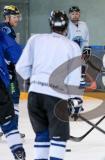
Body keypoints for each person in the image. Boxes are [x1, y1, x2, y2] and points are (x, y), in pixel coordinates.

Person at [16, 10, 84, 160]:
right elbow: (74, 78)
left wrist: (34, 80)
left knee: (42, 135)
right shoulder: (72, 46)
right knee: (59, 138)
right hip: (56, 97)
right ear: (66, 27)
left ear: (50, 24)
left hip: (34, 96)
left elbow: (20, 67)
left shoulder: (35, 39)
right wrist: (75, 99)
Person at [0, 5, 25, 138]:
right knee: (14, 98)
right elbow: (10, 53)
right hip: (7, 73)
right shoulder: (6, 30)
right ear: (7, 17)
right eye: (15, 17)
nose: (17, 19)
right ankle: (12, 129)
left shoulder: (5, 29)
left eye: (17, 16)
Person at [0, 30, 25, 159]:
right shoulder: (3, 35)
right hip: (2, 84)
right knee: (8, 122)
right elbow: (19, 56)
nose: (16, 19)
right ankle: (18, 151)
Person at [67, 6, 89, 87]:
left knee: (84, 61)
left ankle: (82, 78)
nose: (75, 15)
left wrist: (86, 50)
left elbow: (86, 39)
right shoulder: (67, 25)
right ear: (69, 15)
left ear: (79, 14)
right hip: (70, 50)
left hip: (81, 49)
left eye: (77, 13)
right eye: (73, 14)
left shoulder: (84, 25)